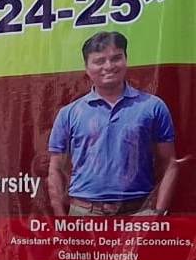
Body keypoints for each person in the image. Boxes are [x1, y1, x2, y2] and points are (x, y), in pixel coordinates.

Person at [48, 31, 178, 216]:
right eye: (99, 61)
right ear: (87, 68)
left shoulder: (152, 106)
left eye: (116, 58)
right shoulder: (69, 114)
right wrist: (61, 218)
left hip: (139, 214)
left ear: (126, 59)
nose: (108, 66)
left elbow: (169, 163)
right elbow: (55, 169)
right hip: (84, 214)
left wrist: (158, 213)